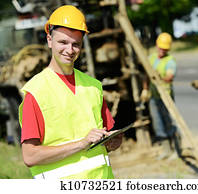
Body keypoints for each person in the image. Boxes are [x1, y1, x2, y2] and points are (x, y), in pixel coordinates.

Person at [18, 5, 122, 179]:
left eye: (76, 44)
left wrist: (112, 142)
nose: (70, 50)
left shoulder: (93, 86)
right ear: (49, 40)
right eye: (63, 42)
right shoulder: (36, 92)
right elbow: (30, 156)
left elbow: (104, 139)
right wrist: (81, 143)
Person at [141, 32, 181, 159]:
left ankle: (177, 149)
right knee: (158, 122)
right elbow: (146, 75)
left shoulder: (170, 61)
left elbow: (169, 77)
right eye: (161, 48)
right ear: (157, 46)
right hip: (154, 95)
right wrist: (145, 89)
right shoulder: (151, 58)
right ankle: (166, 150)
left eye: (165, 49)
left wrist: (161, 77)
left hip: (166, 96)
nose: (162, 51)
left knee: (169, 121)